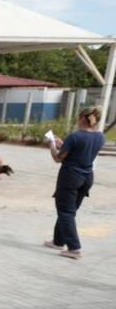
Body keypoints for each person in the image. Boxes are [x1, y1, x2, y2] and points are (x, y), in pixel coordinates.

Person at [44, 107, 105, 260]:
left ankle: (74, 248)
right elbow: (82, 151)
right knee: (69, 211)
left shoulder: (75, 136)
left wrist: (51, 144)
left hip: (70, 177)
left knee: (65, 212)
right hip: (87, 177)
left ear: (83, 118)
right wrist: (63, 144)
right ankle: (58, 241)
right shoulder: (100, 136)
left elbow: (58, 158)